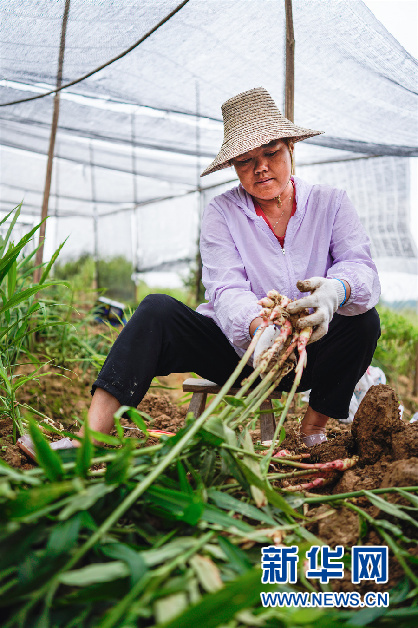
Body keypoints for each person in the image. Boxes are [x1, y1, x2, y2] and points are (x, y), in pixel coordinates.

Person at [18, 86, 380, 459]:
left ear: (290, 147)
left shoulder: (330, 203)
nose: (260, 167)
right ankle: (88, 440)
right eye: (245, 160)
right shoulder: (223, 212)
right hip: (241, 354)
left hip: (309, 354)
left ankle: (313, 432)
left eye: (270, 153)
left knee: (365, 321)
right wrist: (259, 328)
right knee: (156, 311)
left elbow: (360, 265)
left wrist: (336, 291)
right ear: (234, 166)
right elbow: (226, 288)